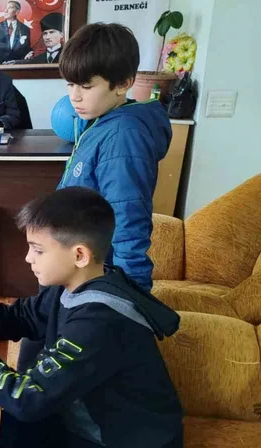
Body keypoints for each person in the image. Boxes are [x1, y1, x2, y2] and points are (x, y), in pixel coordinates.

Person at [0, 187, 183, 448]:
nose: (28, 258)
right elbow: (23, 315)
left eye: (38, 250)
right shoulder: (74, 286)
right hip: (79, 421)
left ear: (79, 255)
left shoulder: (99, 323)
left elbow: (27, 398)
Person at [57, 23, 172, 292]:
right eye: (70, 84)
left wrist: (130, 298)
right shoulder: (100, 120)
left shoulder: (123, 135)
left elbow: (129, 220)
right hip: (76, 264)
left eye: (86, 86)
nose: (74, 96)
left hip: (93, 276)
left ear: (123, 84)